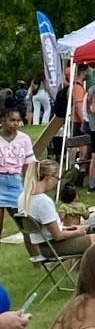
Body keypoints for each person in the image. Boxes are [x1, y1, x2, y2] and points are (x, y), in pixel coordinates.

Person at [21, 159, 91, 255]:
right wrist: (79, 232)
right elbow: (58, 236)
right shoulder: (43, 201)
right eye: (57, 178)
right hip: (56, 247)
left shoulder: (23, 198)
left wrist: (67, 229)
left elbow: (47, 229)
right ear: (49, 177)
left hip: (42, 247)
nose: (57, 182)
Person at [0, 100, 38, 240]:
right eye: (12, 120)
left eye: (18, 120)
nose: (16, 123)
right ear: (3, 120)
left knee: (25, 226)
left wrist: (30, 186)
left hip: (15, 182)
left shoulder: (24, 139)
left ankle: (36, 261)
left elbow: (29, 164)